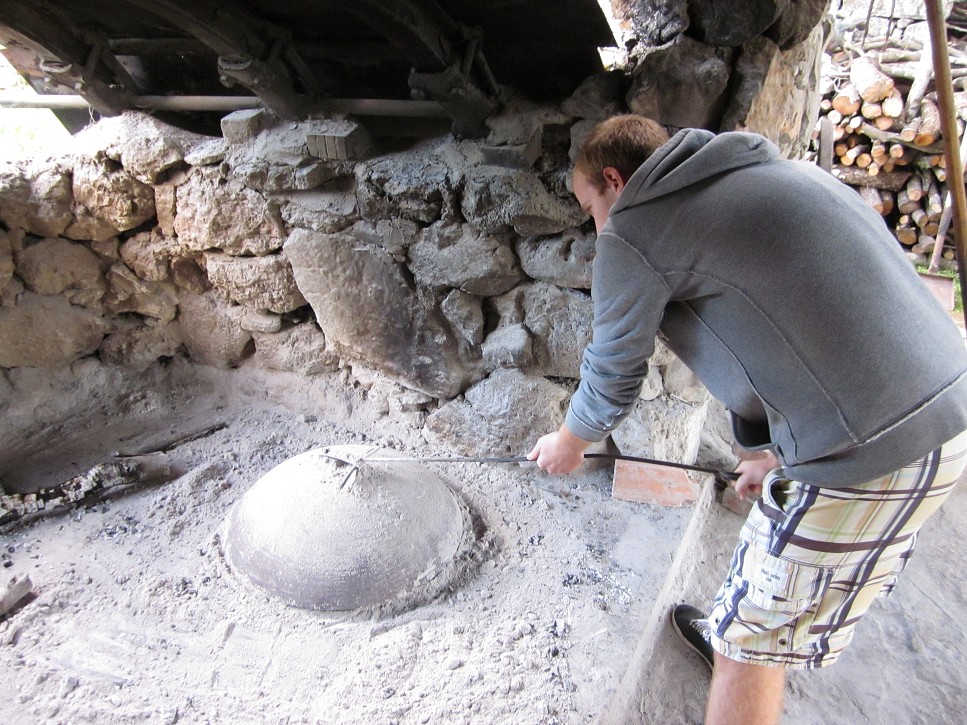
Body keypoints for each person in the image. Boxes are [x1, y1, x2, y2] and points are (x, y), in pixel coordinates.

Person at [527, 114, 967, 725]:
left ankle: (744, 652)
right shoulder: (777, 175)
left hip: (869, 452)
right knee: (777, 591)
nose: (598, 225)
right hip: (946, 413)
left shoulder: (636, 229)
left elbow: (612, 368)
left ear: (614, 179)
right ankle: (751, 632)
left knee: (751, 637)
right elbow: (766, 338)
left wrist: (571, 441)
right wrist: (756, 451)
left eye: (591, 206)